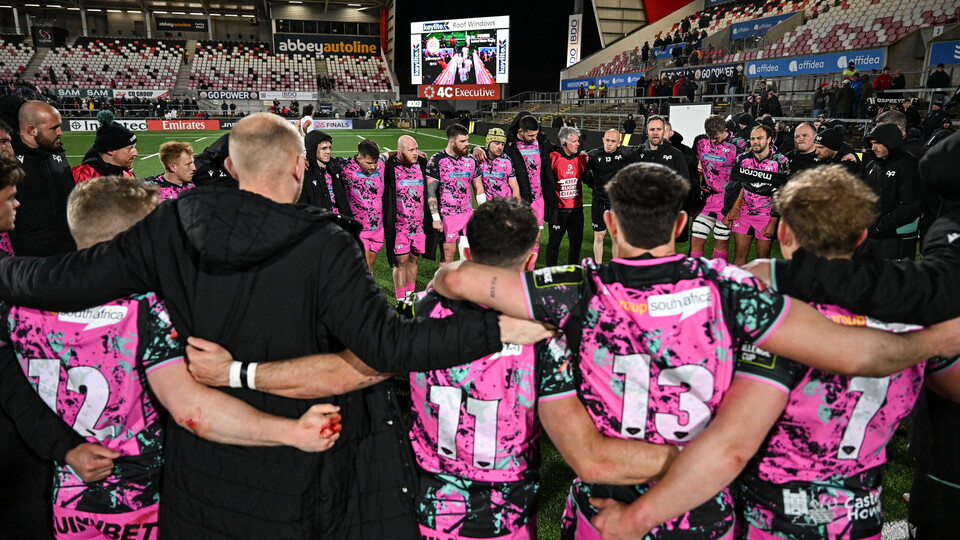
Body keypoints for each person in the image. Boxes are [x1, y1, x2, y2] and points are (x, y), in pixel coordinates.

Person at [0, 113, 542, 539]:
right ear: (299, 167)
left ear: (233, 169)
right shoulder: (328, 242)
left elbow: (62, 278)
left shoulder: (171, 223)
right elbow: (388, 345)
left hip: (207, 466)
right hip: (308, 449)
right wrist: (492, 331)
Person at [432, 162, 960, 540]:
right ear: (682, 224)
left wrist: (453, 284)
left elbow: (458, 278)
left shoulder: (571, 288)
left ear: (610, 223)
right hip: (718, 508)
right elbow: (855, 354)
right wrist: (933, 341)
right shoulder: (733, 289)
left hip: (614, 502)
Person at [588, 165, 960, 540]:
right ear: (862, 235)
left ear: (782, 233)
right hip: (859, 517)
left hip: (771, 520)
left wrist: (636, 519)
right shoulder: (917, 327)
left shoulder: (766, 323)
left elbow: (733, 444)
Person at [3, 176, 341, 539]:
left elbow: (16, 393)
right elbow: (189, 408)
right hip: (149, 503)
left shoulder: (21, 311)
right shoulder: (150, 311)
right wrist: (291, 431)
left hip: (72, 503)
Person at [404, 198, 677, 539]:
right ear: (532, 260)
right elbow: (585, 454)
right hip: (502, 520)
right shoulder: (544, 339)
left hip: (424, 511)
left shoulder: (419, 311)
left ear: (469, 255)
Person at [8, 100, 75, 256]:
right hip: (28, 262)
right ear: (31, 130)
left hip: (67, 255)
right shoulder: (9, 162)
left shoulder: (57, 154)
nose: (60, 132)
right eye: (54, 128)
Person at [724, 124, 791, 265]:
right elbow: (735, 186)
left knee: (762, 259)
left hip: (766, 215)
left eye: (760, 138)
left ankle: (762, 286)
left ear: (769, 139)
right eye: (752, 138)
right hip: (743, 213)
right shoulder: (742, 159)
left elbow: (782, 194)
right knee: (740, 255)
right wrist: (732, 208)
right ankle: (738, 286)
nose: (755, 141)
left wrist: (773, 222)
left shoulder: (781, 162)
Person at [860, 123, 922, 261]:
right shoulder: (872, 165)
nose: (873, 148)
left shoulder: (909, 165)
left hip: (897, 237)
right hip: (873, 236)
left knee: (893, 280)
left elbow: (911, 205)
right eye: (871, 143)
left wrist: (880, 227)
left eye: (878, 143)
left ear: (891, 142)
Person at [383, 135, 432, 301]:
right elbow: (372, 157)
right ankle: (399, 299)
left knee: (413, 260)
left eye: (416, 149)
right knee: (401, 262)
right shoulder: (389, 167)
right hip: (399, 226)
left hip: (418, 226)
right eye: (411, 150)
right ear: (399, 151)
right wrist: (389, 154)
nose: (416, 153)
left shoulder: (422, 164)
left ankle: (410, 295)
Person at [427, 124, 480, 264]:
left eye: (467, 140)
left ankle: (465, 285)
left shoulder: (471, 160)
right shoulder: (436, 160)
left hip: (468, 214)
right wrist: (435, 217)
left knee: (470, 256)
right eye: (462, 141)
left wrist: (484, 210)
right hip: (448, 217)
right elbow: (431, 191)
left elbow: (478, 188)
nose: (466, 144)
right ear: (451, 141)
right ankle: (443, 286)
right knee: (447, 256)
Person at [691, 114, 738, 261]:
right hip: (706, 199)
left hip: (726, 201)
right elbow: (692, 165)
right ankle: (696, 274)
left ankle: (717, 276)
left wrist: (735, 205)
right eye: (709, 136)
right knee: (696, 239)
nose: (712, 140)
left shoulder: (737, 144)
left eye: (715, 137)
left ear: (725, 129)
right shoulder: (700, 141)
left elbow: (741, 178)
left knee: (721, 241)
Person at [502, 113, 558, 233]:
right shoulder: (509, 145)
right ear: (521, 131)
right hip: (520, 198)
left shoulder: (542, 141)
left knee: (537, 235)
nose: (534, 137)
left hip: (538, 198)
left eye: (536, 134)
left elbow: (557, 151)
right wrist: (476, 149)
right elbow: (491, 152)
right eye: (531, 135)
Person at [586, 129, 634, 262]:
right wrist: (592, 183)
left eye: (613, 141)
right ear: (603, 139)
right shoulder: (594, 155)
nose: (609, 144)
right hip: (599, 201)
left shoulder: (625, 153)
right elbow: (581, 168)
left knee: (616, 237)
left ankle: (615, 266)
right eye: (607, 140)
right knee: (599, 235)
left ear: (619, 142)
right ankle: (598, 267)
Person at [343, 138, 387, 271]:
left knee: (370, 266)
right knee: (365, 266)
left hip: (378, 229)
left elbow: (387, 155)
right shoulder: (346, 168)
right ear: (359, 157)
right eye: (368, 163)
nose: (373, 166)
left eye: (374, 162)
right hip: (359, 229)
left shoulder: (381, 164)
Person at [546, 126, 587, 266]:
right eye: (574, 141)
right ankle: (550, 274)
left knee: (576, 245)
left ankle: (573, 272)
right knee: (553, 246)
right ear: (564, 144)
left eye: (578, 141)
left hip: (577, 212)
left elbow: (590, 180)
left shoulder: (581, 159)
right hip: (558, 212)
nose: (578, 144)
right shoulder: (552, 158)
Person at [72, 111, 138, 184]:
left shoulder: (127, 174)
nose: (136, 153)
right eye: (130, 148)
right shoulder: (81, 176)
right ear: (110, 150)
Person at [297, 130, 351, 215]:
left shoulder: (335, 167)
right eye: (324, 148)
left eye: (329, 147)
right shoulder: (305, 173)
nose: (328, 151)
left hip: (340, 224)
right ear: (313, 149)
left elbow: (358, 160)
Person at [474, 128, 519, 202]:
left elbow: (514, 187)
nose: (500, 147)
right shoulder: (479, 160)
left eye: (502, 144)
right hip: (487, 206)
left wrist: (516, 207)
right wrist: (475, 148)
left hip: (505, 205)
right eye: (496, 143)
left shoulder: (506, 160)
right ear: (488, 143)